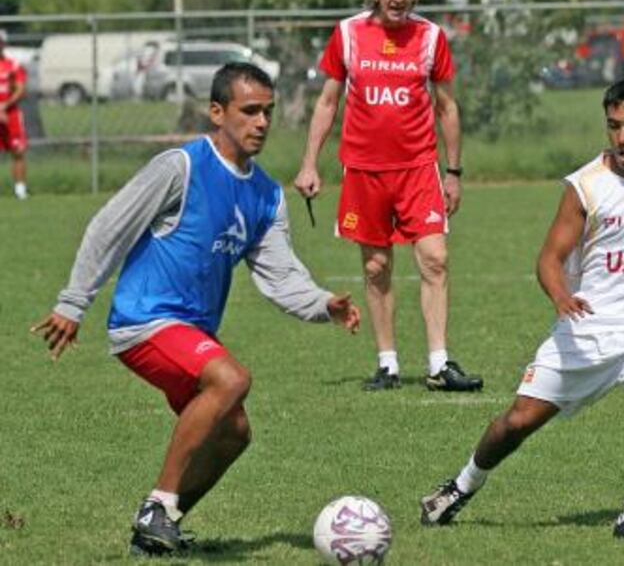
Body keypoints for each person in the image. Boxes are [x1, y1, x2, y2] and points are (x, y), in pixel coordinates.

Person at [31, 62, 361, 556]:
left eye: (268, 112)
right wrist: (73, 302)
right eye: (249, 111)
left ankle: (160, 527)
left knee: (234, 434)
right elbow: (109, 226)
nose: (262, 122)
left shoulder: (267, 194)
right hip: (146, 320)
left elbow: (279, 273)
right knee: (231, 380)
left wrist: (321, 303)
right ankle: (156, 506)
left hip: (190, 330)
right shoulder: (181, 167)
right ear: (216, 112)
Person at [421, 76, 624, 543]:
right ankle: (461, 485)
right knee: (518, 421)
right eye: (613, 126)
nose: (621, 138)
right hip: (587, 325)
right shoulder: (585, 186)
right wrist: (560, 296)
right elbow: (549, 259)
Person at [294, 0, 482, 393]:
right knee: (377, 267)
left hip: (419, 168)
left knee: (435, 258)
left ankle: (439, 363)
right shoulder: (348, 34)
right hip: (363, 170)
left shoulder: (432, 37)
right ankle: (388, 363)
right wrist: (309, 163)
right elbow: (327, 103)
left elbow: (447, 107)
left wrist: (452, 171)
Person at [0, 29, 29, 199]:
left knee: (18, 151)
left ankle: (20, 191)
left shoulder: (13, 65)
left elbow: (20, 89)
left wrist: (4, 106)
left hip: (10, 115)